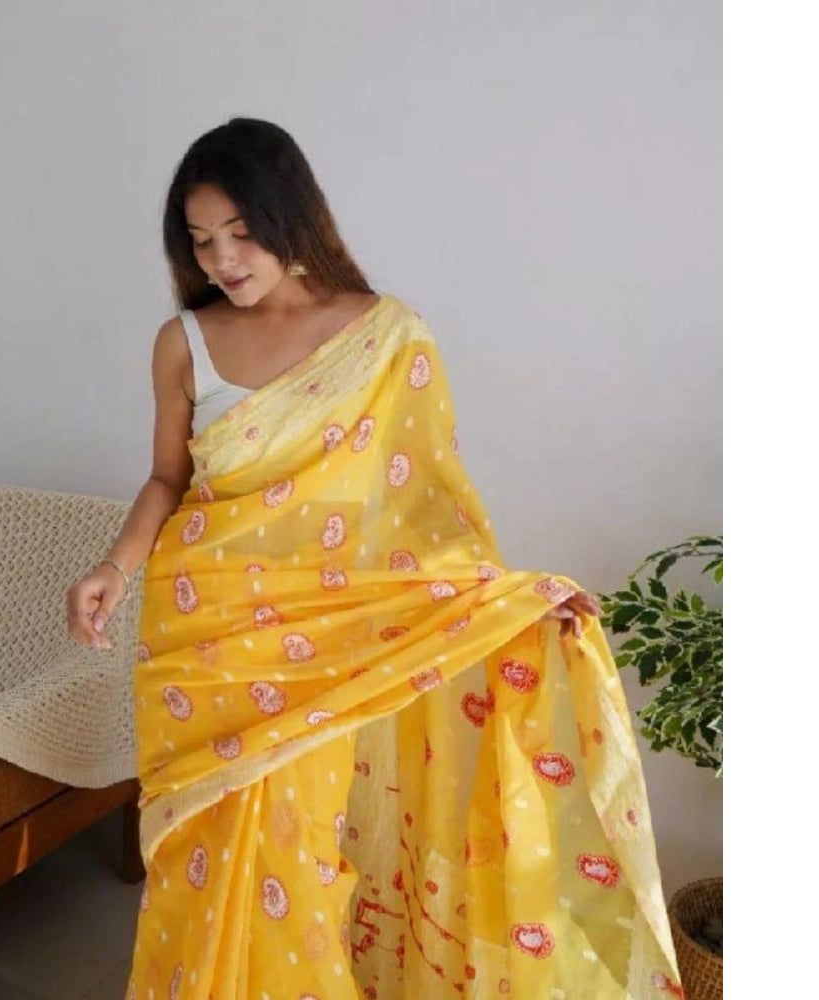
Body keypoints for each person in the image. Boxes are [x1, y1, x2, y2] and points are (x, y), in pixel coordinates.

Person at [66, 118, 681, 1000]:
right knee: (197, 861)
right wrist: (115, 569)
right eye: (201, 241)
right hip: (201, 637)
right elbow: (168, 479)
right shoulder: (184, 340)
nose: (223, 259)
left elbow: (424, 513)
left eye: (241, 232)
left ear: (290, 216)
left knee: (299, 851)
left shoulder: (386, 338)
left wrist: (507, 601)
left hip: (322, 646)